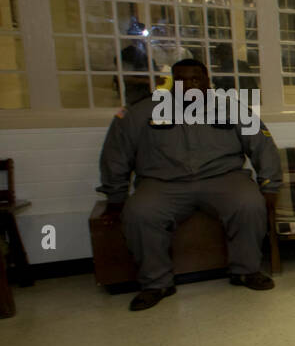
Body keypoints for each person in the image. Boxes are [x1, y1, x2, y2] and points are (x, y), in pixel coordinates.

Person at [97, 58, 281, 310]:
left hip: (223, 178)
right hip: (162, 183)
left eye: (196, 78)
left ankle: (245, 271)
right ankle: (156, 283)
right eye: (182, 79)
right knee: (140, 213)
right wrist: (115, 197)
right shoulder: (142, 111)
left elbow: (263, 145)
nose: (190, 84)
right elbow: (115, 154)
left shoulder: (232, 108)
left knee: (249, 204)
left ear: (207, 81)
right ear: (173, 81)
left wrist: (269, 184)